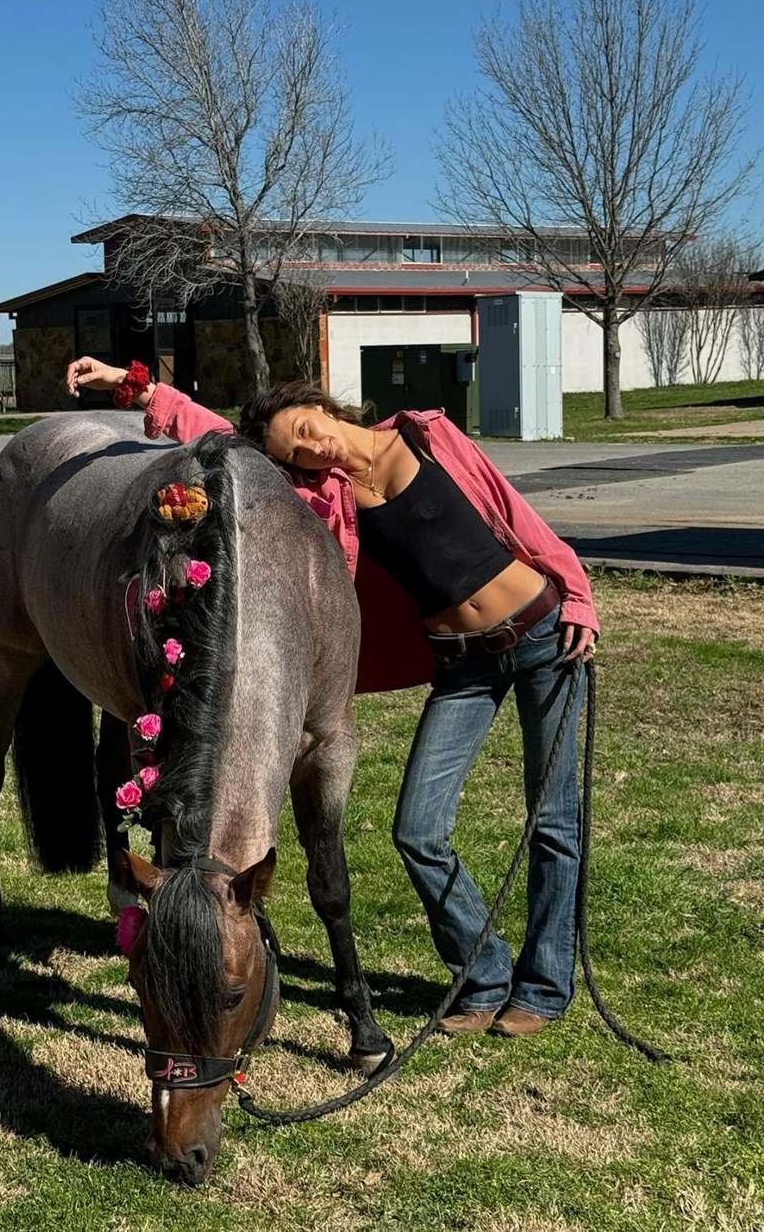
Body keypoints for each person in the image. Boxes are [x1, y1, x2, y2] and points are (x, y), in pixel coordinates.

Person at [66, 356, 598, 1038]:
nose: (315, 445)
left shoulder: (428, 435)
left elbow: (512, 513)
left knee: (552, 822)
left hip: (544, 632)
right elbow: (222, 436)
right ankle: (484, 972)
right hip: (463, 666)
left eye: (309, 427)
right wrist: (139, 389)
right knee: (418, 830)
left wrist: (576, 591)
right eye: (298, 450)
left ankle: (546, 988)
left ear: (324, 405)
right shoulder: (330, 501)